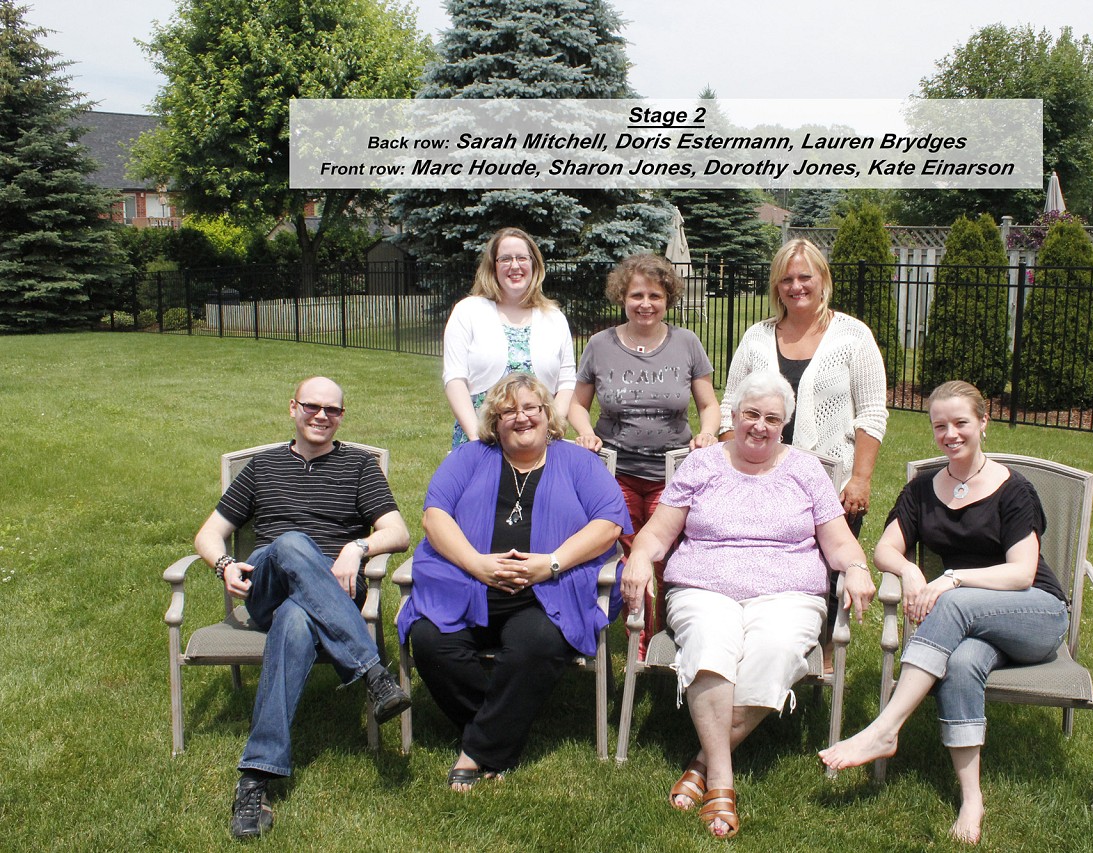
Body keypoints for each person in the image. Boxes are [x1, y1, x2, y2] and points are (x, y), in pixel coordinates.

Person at [622, 371, 876, 839]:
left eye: (772, 418)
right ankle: (722, 779)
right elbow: (657, 533)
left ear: (786, 424)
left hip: (789, 594)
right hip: (704, 587)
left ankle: (702, 763)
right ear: (733, 415)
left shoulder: (805, 469)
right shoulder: (701, 467)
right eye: (751, 414)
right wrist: (639, 556)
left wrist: (857, 567)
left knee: (777, 649)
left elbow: (839, 541)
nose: (760, 425)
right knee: (709, 641)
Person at [819, 380, 1069, 845]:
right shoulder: (921, 491)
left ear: (983, 424)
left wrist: (950, 579)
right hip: (972, 626)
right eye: (940, 425)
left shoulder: (1014, 491)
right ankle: (971, 799)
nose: (950, 434)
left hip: (1036, 615)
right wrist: (911, 573)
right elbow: (885, 550)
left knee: (953, 602)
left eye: (961, 423)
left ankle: (885, 728)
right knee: (960, 663)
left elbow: (1020, 573)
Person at [193, 376, 412, 840]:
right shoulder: (262, 467)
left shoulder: (358, 466)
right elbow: (207, 534)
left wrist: (356, 547)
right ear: (292, 407)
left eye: (333, 410)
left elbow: (397, 531)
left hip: (329, 592)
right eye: (312, 406)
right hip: (267, 583)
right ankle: (373, 674)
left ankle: (255, 778)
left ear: (342, 417)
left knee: (296, 620)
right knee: (292, 543)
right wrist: (225, 563)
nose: (322, 416)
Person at [397, 373, 630, 791]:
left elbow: (609, 523)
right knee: (430, 641)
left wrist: (550, 564)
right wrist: (476, 564)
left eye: (530, 408)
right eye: (508, 411)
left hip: (546, 594)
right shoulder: (470, 458)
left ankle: (478, 748)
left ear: (546, 414)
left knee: (535, 643)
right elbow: (434, 516)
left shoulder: (578, 462)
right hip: (468, 587)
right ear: (495, 420)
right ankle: (500, 727)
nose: (521, 418)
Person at [568, 253, 719, 656]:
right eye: (636, 295)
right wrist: (584, 432)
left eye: (655, 294)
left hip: (673, 474)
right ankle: (638, 638)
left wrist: (707, 434)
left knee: (668, 556)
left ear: (668, 297)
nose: (645, 303)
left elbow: (709, 405)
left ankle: (670, 635)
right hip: (616, 471)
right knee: (625, 554)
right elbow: (576, 405)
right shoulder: (600, 345)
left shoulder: (687, 343)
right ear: (622, 296)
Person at [720, 238, 887, 533]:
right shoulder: (756, 337)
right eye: (786, 279)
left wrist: (860, 479)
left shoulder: (853, 335)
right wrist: (735, 471)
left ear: (822, 279)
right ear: (777, 287)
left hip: (833, 487)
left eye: (804, 277)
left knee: (830, 573)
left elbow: (872, 414)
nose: (796, 286)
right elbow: (729, 407)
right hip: (760, 483)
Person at [442, 227, 576, 449]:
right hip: (480, 441)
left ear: (534, 264)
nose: (515, 266)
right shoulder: (468, 312)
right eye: (505, 259)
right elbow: (455, 378)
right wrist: (477, 437)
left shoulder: (554, 318)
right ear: (493, 267)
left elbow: (567, 380)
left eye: (522, 258)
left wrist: (550, 432)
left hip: (537, 446)